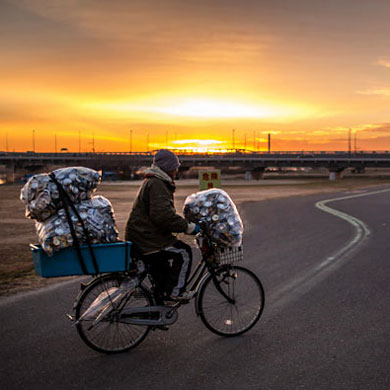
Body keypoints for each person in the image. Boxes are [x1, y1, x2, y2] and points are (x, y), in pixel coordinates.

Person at [125, 149, 199, 303]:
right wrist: (188, 227)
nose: (177, 170)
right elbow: (163, 216)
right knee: (184, 252)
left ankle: (159, 305)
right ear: (167, 167)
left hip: (143, 234)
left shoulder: (154, 181)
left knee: (163, 272)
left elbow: (161, 214)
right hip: (148, 238)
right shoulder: (157, 184)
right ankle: (176, 293)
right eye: (175, 166)